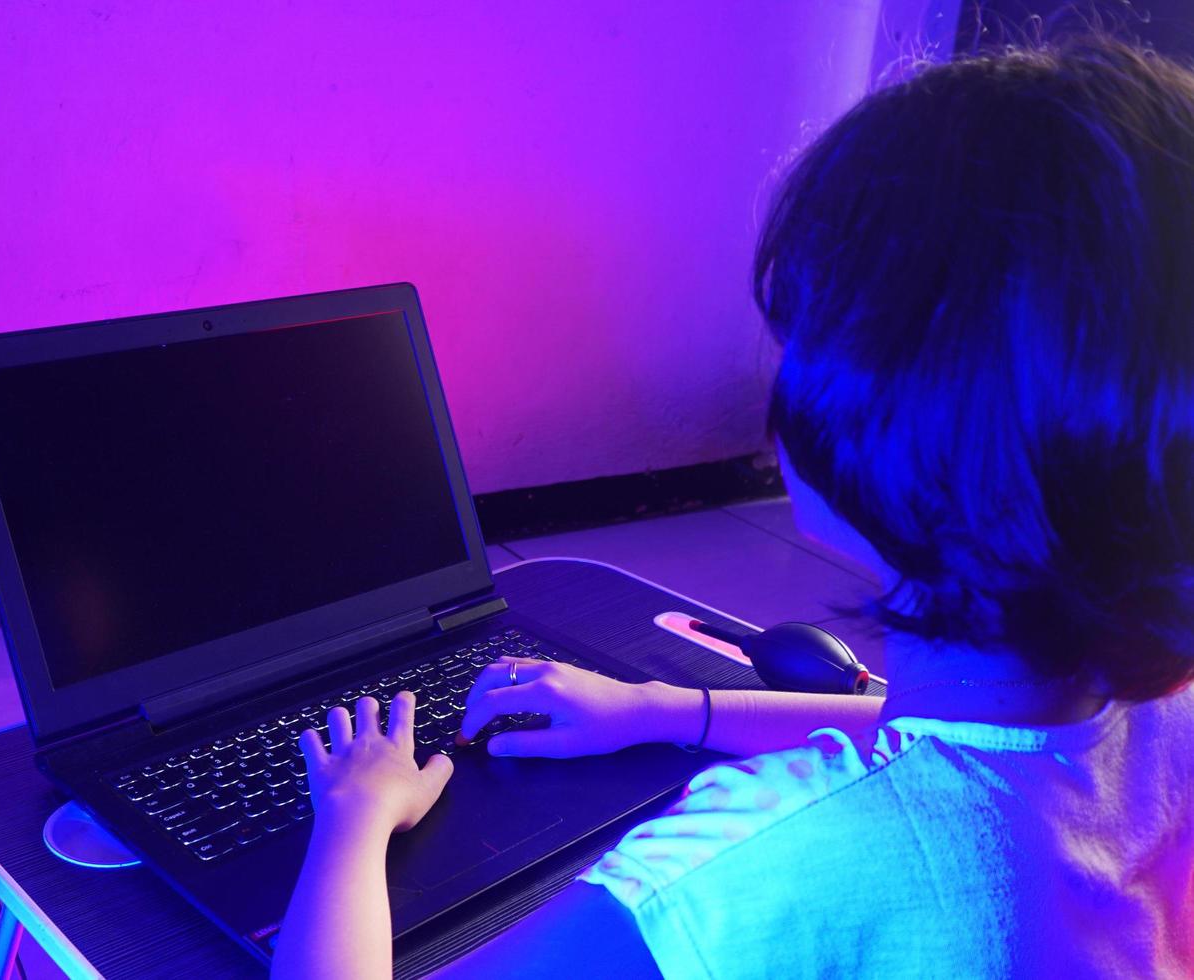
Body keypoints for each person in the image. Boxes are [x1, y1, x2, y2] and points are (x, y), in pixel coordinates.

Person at [271, 35, 1194, 979]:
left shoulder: (737, 874)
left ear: (881, 413)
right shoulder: (1158, 715)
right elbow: (940, 742)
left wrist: (354, 820)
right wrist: (657, 706)